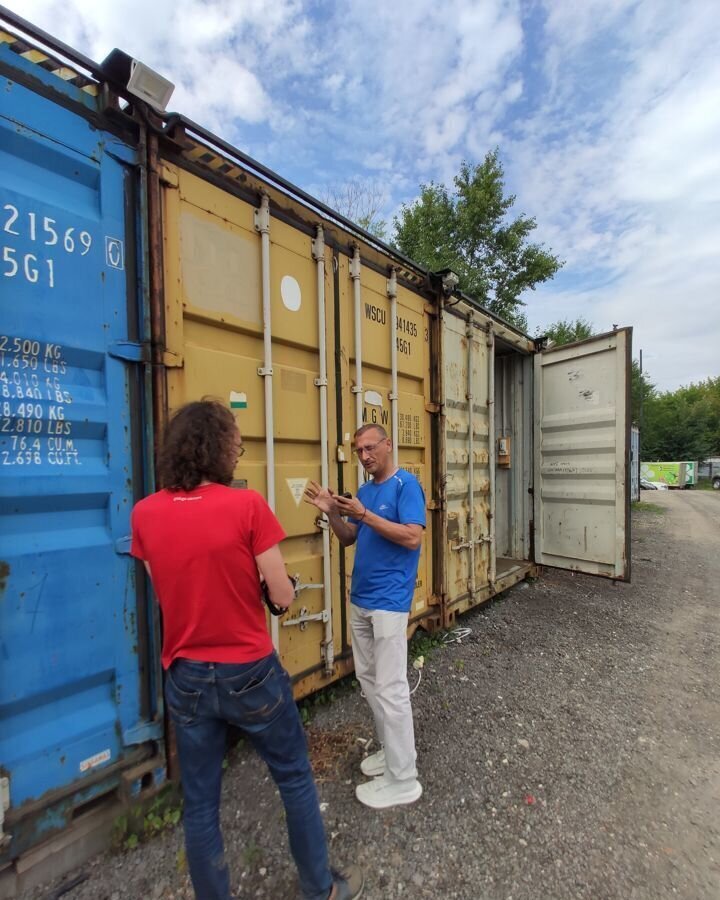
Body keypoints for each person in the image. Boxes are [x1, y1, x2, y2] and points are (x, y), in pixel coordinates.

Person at [130, 400, 363, 900]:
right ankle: (319, 888)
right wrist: (270, 593)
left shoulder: (144, 514)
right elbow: (280, 595)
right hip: (250, 672)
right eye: (235, 442)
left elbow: (165, 592)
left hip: (187, 675)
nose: (239, 450)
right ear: (217, 447)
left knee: (200, 804)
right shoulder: (246, 505)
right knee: (295, 779)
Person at [304, 424, 425, 810]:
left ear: (388, 445)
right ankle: (392, 754)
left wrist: (365, 514)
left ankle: (404, 779)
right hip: (362, 599)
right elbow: (348, 537)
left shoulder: (407, 486)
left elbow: (412, 537)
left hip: (390, 602)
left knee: (390, 688)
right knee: (370, 681)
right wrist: (331, 514)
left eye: (370, 447)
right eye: (358, 450)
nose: (364, 455)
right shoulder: (365, 492)